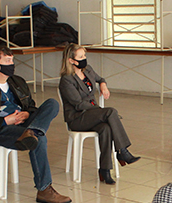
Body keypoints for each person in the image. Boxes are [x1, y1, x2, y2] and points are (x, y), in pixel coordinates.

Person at [0, 46, 70, 203]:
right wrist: (4, 121)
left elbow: (31, 107)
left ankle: (32, 131)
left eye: (12, 60)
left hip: (22, 125)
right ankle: (44, 189)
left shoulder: (18, 82)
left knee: (52, 104)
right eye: (7, 61)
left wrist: (27, 114)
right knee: (39, 139)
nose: (12, 64)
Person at [58, 44, 140, 185]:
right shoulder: (66, 80)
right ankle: (122, 151)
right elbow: (78, 104)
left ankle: (105, 170)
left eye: (84, 55)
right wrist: (97, 109)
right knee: (111, 112)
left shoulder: (87, 70)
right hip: (78, 118)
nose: (84, 59)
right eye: (81, 57)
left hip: (93, 114)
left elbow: (100, 78)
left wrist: (103, 84)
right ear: (71, 60)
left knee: (106, 129)